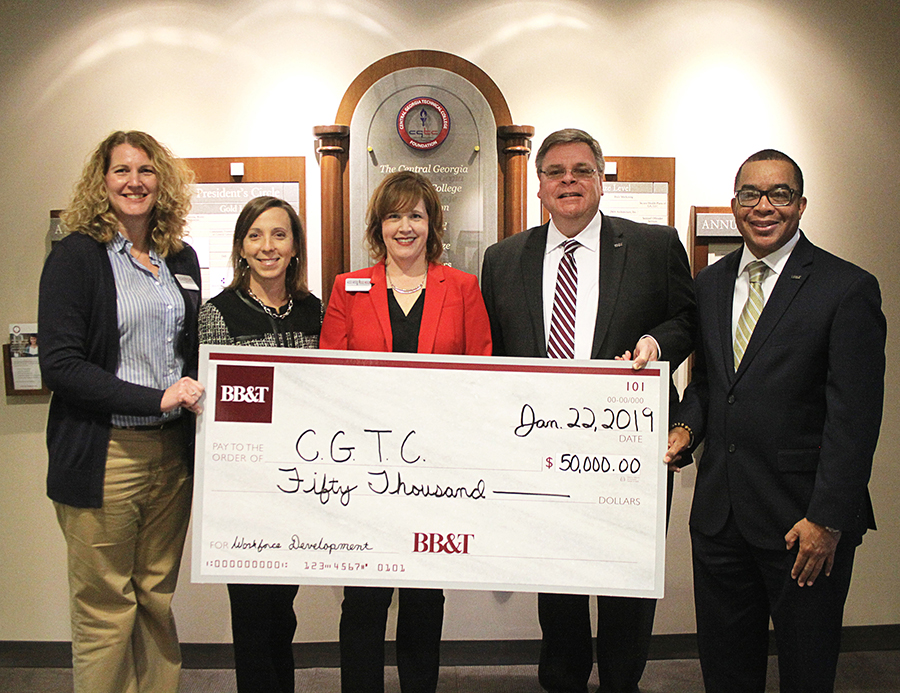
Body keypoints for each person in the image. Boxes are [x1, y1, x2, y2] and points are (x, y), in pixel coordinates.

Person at [481, 128, 696, 693]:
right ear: (540, 187)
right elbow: (493, 354)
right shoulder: (503, 259)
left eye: (581, 170)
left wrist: (657, 342)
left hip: (628, 452)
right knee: (558, 588)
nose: (568, 181)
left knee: (627, 585)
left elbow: (688, 319)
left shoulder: (654, 245)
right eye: (555, 172)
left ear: (601, 180)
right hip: (542, 454)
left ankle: (623, 682)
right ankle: (563, 681)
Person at [665, 149, 886, 692]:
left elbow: (854, 417)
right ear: (735, 203)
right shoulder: (711, 284)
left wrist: (827, 519)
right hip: (720, 518)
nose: (764, 207)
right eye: (750, 195)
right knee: (725, 670)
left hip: (803, 526)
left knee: (806, 671)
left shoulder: (846, 288)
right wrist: (688, 427)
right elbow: (712, 386)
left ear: (801, 204)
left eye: (779, 194)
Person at [38, 130, 203, 693]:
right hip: (103, 453)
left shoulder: (179, 258)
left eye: (146, 171)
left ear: (163, 181)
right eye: (121, 171)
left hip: (169, 455)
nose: (135, 182)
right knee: (106, 609)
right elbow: (60, 365)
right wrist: (153, 397)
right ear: (101, 181)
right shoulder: (76, 255)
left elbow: (191, 351)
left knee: (156, 599)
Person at [320, 170, 492, 693]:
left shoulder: (461, 287)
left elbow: (482, 371)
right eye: (394, 215)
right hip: (363, 470)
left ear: (432, 223)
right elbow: (330, 375)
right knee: (365, 599)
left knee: (423, 597)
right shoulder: (348, 287)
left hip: (434, 472)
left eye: (415, 214)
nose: (405, 226)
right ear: (379, 225)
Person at [198, 196, 322, 693]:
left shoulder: (317, 311)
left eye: (279, 235)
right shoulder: (218, 314)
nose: (267, 246)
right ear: (241, 247)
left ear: (294, 247)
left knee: (283, 614)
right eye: (255, 235)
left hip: (297, 485)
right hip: (242, 491)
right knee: (251, 616)